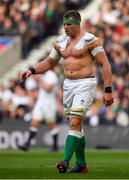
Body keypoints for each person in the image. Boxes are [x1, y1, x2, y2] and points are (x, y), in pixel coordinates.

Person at [19, 10, 113, 173]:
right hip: (68, 86)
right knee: (76, 125)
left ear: (78, 24)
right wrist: (32, 70)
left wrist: (108, 90)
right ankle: (82, 165)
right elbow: (49, 62)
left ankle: (64, 161)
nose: (66, 27)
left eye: (69, 24)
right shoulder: (61, 42)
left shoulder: (91, 41)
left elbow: (105, 64)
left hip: (85, 84)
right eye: (64, 24)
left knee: (75, 122)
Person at [18, 70, 59, 152]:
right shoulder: (37, 74)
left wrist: (39, 80)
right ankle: (27, 144)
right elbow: (30, 88)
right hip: (40, 102)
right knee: (34, 122)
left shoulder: (51, 75)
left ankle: (55, 145)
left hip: (49, 103)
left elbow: (48, 89)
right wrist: (31, 97)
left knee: (51, 125)